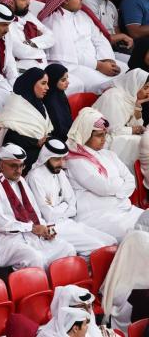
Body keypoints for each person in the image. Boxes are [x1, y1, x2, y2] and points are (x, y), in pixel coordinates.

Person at [0, 143, 76, 269]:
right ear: (1, 164)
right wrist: (32, 228)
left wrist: (45, 229)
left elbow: (34, 212)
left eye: (21, 166)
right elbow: (0, 223)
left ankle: (60, 286)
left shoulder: (20, 180)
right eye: (14, 166)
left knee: (68, 249)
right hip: (4, 241)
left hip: (29, 235)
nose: (19, 171)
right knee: (35, 258)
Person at [64, 107, 144, 242]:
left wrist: (116, 190)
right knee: (137, 233)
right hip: (97, 215)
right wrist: (120, 184)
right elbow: (103, 187)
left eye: (105, 135)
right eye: (99, 135)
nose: (104, 139)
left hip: (123, 208)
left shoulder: (109, 154)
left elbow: (130, 180)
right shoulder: (75, 161)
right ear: (85, 134)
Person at [25, 139, 118, 255]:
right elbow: (49, 215)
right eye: (57, 159)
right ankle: (83, 271)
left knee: (111, 242)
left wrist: (59, 207)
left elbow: (73, 206)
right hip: (52, 228)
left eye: (62, 159)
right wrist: (64, 205)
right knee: (99, 248)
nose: (61, 163)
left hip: (68, 221)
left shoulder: (60, 173)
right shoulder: (35, 177)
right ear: (46, 158)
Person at [42, 0, 125, 93]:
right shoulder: (54, 22)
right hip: (74, 67)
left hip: (99, 60)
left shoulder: (83, 15)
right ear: (65, 0)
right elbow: (70, 55)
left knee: (127, 71)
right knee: (104, 85)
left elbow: (99, 38)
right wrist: (99, 65)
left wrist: (107, 59)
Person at [0, 68, 53, 168]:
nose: (47, 87)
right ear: (31, 83)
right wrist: (36, 142)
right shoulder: (16, 104)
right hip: (19, 155)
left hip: (38, 148)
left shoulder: (39, 104)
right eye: (43, 83)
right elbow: (9, 136)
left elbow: (46, 128)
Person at [93, 69, 149, 172]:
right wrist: (133, 130)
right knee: (141, 142)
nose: (148, 92)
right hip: (101, 138)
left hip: (118, 135)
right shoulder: (114, 97)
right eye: (146, 88)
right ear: (135, 84)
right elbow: (111, 129)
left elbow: (137, 125)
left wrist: (137, 105)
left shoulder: (130, 97)